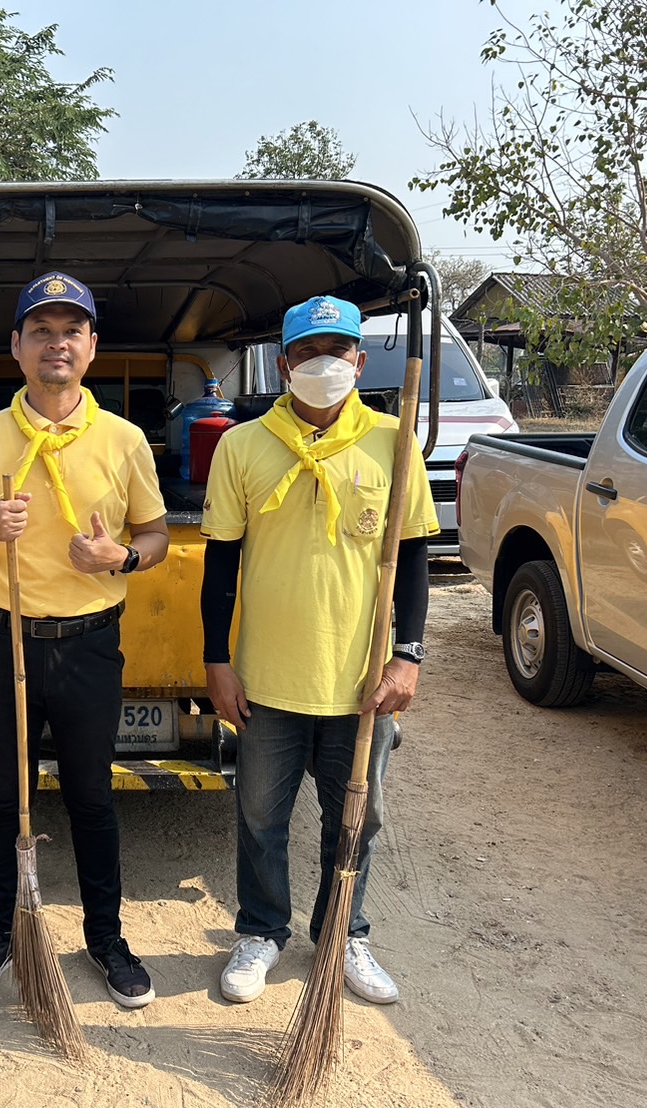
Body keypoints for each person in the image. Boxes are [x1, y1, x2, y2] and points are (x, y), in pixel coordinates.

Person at [0, 271, 170, 1010]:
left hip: (90, 643)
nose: (55, 343)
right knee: (7, 798)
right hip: (4, 640)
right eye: (40, 330)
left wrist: (121, 558)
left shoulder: (124, 440)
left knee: (92, 796)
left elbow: (155, 536)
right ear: (16, 347)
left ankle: (106, 939)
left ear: (90, 347)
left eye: (70, 331)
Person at [199, 295, 438, 1007]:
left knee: (357, 820)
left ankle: (343, 933)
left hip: (361, 681)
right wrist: (216, 659)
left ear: (360, 363)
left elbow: (415, 557)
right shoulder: (242, 446)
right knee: (259, 817)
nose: (322, 364)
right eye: (307, 352)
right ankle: (260, 932)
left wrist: (408, 655)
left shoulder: (393, 442)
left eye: (337, 352)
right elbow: (220, 565)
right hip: (268, 678)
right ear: (283, 365)